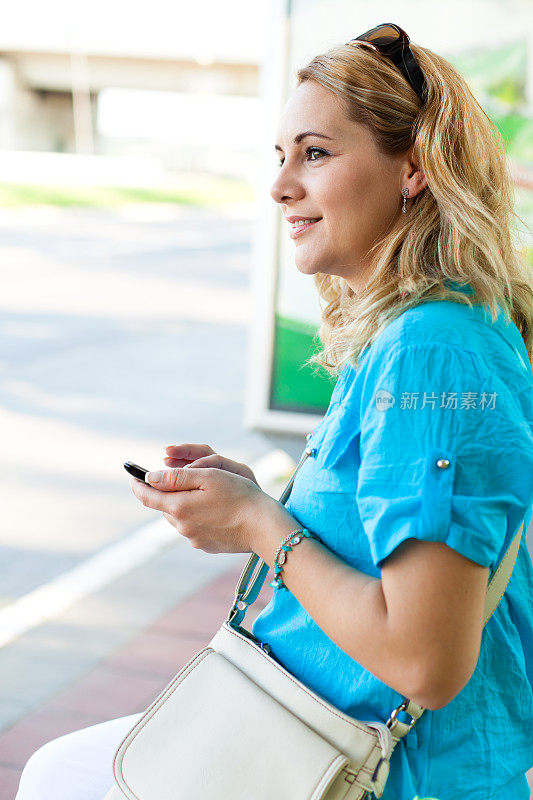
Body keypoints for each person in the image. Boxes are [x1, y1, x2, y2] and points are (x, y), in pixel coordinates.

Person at [15, 23, 533, 800]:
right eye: (280, 155)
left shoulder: (432, 349)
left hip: (369, 772)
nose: (280, 185)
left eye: (315, 153)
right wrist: (252, 498)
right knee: (64, 771)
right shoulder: (416, 333)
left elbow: (426, 661)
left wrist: (261, 524)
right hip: (304, 735)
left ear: (413, 170)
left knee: (64, 776)